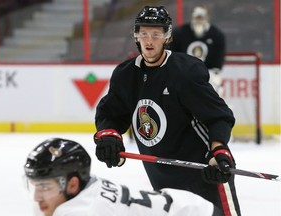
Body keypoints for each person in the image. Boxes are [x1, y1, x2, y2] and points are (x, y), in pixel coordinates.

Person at [93, 5, 241, 216]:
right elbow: (111, 113)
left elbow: (218, 116)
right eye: (144, 33)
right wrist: (109, 135)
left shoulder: (185, 72)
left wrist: (218, 151)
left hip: (205, 175)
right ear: (136, 35)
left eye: (156, 34)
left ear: (167, 37)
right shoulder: (125, 74)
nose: (149, 40)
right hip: (161, 179)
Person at [23, 138, 223, 216]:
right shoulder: (85, 190)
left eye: (45, 187)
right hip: (191, 206)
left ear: (73, 184)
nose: (37, 197)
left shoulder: (82, 211)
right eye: (36, 186)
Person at [170, 6, 226, 94]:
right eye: (197, 17)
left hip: (208, 72)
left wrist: (214, 71)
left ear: (207, 18)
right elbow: (173, 54)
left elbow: (217, 61)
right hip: (184, 72)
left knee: (216, 88)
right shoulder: (179, 33)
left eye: (201, 18)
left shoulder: (216, 35)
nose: (199, 21)